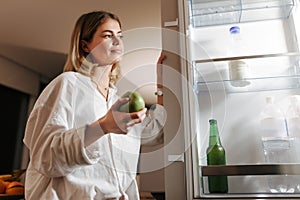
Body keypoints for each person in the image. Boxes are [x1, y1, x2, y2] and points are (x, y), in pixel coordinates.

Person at [23, 10, 165, 200]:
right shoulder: (68, 84)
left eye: (120, 36)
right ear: (85, 46)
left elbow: (154, 132)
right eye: (108, 35)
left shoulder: (118, 100)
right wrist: (103, 127)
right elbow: (46, 158)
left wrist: (162, 85)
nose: (117, 41)